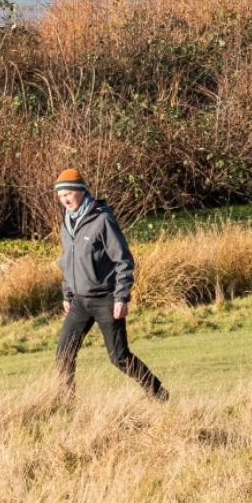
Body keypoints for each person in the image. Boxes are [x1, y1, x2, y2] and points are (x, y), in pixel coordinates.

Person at [51, 168, 168, 400]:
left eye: (69, 194)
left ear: (81, 191)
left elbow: (123, 259)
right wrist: (68, 293)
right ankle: (67, 404)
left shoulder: (102, 219)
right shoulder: (67, 222)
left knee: (119, 357)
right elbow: (69, 260)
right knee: (63, 354)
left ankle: (158, 394)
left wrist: (121, 297)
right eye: (61, 195)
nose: (65, 199)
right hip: (80, 302)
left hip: (106, 299)